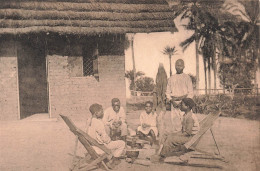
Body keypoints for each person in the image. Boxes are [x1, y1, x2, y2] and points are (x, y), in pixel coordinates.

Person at [87, 103, 125, 168]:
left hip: (91, 146)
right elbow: (105, 138)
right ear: (96, 113)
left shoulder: (89, 120)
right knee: (122, 143)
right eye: (101, 111)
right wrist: (110, 140)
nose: (103, 113)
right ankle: (113, 161)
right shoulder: (98, 123)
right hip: (100, 148)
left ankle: (109, 159)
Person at [166, 59, 194, 132]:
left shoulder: (187, 78)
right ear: (175, 66)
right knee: (175, 125)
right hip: (174, 104)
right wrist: (172, 101)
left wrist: (183, 102)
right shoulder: (171, 78)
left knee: (185, 124)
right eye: (177, 65)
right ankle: (177, 141)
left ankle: (184, 141)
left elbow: (190, 93)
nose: (179, 67)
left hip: (184, 105)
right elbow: (167, 93)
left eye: (180, 65)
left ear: (184, 66)